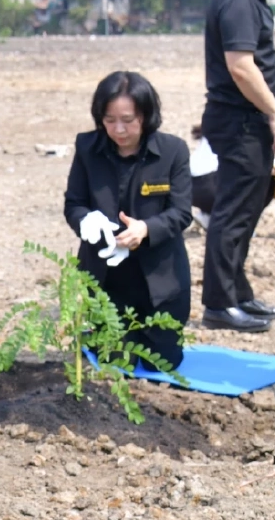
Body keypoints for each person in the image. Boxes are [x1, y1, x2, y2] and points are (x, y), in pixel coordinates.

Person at [199, 0, 275, 333]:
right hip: (239, 121)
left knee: (249, 204)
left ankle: (238, 293)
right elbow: (241, 67)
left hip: (244, 121)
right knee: (234, 211)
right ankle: (220, 304)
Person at [64, 71, 192, 368]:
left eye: (128, 120)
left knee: (161, 361)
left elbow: (181, 212)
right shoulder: (87, 149)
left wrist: (146, 229)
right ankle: (98, 333)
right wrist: (85, 221)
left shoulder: (173, 151)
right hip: (108, 279)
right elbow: (75, 203)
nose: (119, 129)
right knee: (116, 360)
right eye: (109, 120)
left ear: (146, 116)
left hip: (161, 281)